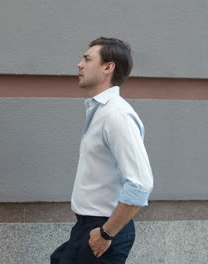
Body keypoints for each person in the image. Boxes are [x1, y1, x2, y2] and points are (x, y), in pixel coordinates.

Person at [50, 37, 154, 264]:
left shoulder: (116, 115)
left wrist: (106, 233)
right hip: (87, 226)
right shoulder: (100, 112)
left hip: (103, 230)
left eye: (87, 59)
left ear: (108, 67)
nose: (80, 64)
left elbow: (140, 185)